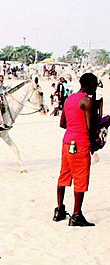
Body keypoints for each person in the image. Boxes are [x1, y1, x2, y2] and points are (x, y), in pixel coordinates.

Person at [53, 73, 99, 227]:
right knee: (80, 178)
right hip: (80, 143)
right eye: (96, 84)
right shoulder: (87, 100)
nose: (97, 87)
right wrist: (95, 143)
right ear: (91, 84)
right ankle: (76, 215)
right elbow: (89, 127)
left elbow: (62, 123)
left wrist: (74, 127)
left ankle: (59, 211)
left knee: (64, 175)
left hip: (67, 141)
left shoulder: (69, 99)